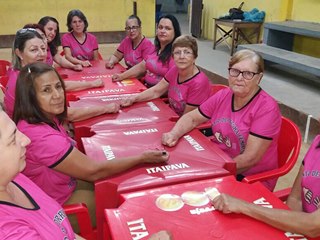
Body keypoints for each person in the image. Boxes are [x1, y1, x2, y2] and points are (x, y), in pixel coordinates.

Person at [13, 61, 169, 227]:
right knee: (123, 204)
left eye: (59, 87)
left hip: (59, 187)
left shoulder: (42, 118)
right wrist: (141, 158)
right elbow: (94, 171)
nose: (58, 95)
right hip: (55, 207)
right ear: (30, 96)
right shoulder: (42, 137)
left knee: (111, 183)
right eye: (46, 90)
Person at [162, 49, 282, 191]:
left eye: (248, 74)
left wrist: (208, 171)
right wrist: (173, 134)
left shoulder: (267, 108)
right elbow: (192, 118)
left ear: (259, 78)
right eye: (235, 71)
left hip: (248, 178)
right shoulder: (224, 95)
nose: (239, 78)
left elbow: (250, 159)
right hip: (217, 161)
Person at [212, 133, 320, 238]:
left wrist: (244, 207)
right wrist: (292, 232)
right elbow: (296, 199)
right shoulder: (317, 142)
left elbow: (313, 226)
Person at [0, 104, 79, 239]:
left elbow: (61, 230)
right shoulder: (11, 233)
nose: (26, 140)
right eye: (13, 139)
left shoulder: (13, 177)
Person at [4, 28, 115, 122]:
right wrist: (105, 108)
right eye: (33, 50)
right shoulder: (25, 81)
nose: (41, 54)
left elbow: (62, 85)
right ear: (19, 53)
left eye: (43, 49)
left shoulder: (24, 71)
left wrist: (91, 84)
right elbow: (68, 114)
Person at [121, 35, 211, 116]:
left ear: (194, 57)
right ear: (173, 56)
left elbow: (188, 119)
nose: (182, 56)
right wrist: (133, 99)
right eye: (177, 52)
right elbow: (156, 91)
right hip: (172, 116)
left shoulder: (199, 82)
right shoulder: (175, 70)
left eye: (187, 52)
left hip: (193, 127)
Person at [112, 14, 181, 88]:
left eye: (167, 28)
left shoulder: (176, 55)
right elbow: (141, 67)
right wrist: (121, 76)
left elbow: (168, 85)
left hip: (159, 96)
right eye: (160, 27)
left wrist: (142, 95)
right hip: (145, 87)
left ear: (175, 32)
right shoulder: (155, 49)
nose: (162, 31)